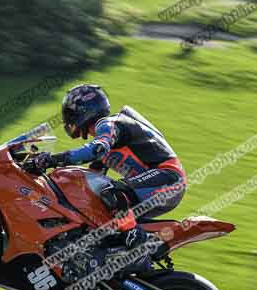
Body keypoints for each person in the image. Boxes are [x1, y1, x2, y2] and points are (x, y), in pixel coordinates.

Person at [31, 83, 187, 256]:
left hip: (168, 178)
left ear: (85, 111)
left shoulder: (108, 124)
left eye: (70, 114)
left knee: (113, 192)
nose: (68, 120)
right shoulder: (104, 138)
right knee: (99, 201)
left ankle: (136, 238)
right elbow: (93, 176)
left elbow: (95, 149)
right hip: (155, 186)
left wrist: (52, 160)